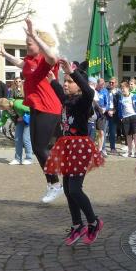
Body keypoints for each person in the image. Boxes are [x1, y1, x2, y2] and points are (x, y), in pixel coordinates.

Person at [1, 19, 63, 204]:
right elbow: (21, 64)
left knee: (40, 147)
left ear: (39, 44)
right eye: (26, 43)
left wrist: (34, 35)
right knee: (37, 149)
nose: (26, 47)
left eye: (30, 44)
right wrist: (6, 55)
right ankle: (52, 183)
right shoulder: (29, 60)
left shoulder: (46, 60)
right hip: (35, 107)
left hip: (49, 107)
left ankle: (56, 184)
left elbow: (52, 57)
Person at [44, 60, 105, 246]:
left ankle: (94, 222)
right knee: (68, 190)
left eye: (70, 81)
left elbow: (89, 92)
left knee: (75, 189)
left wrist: (73, 72)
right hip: (68, 147)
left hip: (80, 148)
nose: (66, 84)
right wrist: (53, 80)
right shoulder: (67, 100)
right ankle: (77, 225)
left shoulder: (83, 100)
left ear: (79, 84)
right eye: (65, 81)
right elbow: (60, 93)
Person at [0, 97, 33, 165]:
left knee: (26, 139)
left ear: (3, 106)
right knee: (17, 139)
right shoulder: (5, 111)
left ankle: (29, 158)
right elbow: (2, 122)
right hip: (19, 122)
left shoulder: (17, 104)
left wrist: (23, 117)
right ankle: (17, 159)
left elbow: (31, 110)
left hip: (28, 120)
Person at [117, 79, 136, 158]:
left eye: (124, 88)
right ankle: (129, 151)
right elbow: (119, 109)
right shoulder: (121, 98)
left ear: (128, 88)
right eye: (121, 88)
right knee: (128, 135)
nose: (122, 90)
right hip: (125, 118)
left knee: (135, 134)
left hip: (134, 116)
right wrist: (121, 117)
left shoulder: (133, 96)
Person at [94, 78, 110, 156]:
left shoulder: (105, 91)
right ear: (97, 84)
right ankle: (93, 149)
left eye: (103, 85)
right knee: (93, 132)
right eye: (101, 85)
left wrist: (105, 109)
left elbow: (108, 103)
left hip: (101, 114)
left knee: (101, 131)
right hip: (93, 113)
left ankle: (101, 150)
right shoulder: (93, 90)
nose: (102, 86)